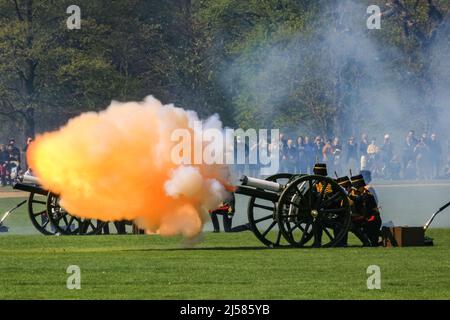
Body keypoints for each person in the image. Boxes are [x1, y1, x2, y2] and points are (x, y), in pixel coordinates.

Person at [349, 174, 382, 246]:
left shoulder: (367, 195)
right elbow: (357, 199)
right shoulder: (363, 194)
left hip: (372, 220)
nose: (356, 189)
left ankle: (367, 242)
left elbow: (366, 212)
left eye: (357, 187)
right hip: (368, 218)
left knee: (353, 225)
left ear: (360, 186)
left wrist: (357, 218)